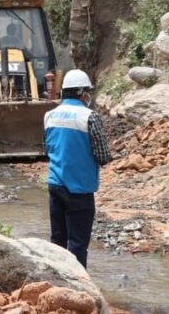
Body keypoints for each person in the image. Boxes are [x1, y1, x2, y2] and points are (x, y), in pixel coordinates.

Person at [44, 69, 111, 269]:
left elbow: (47, 148)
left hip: (55, 185)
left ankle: (57, 283)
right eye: (87, 92)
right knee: (78, 245)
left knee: (58, 242)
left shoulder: (49, 116)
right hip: (79, 189)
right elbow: (103, 156)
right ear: (82, 93)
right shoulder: (89, 117)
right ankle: (78, 288)